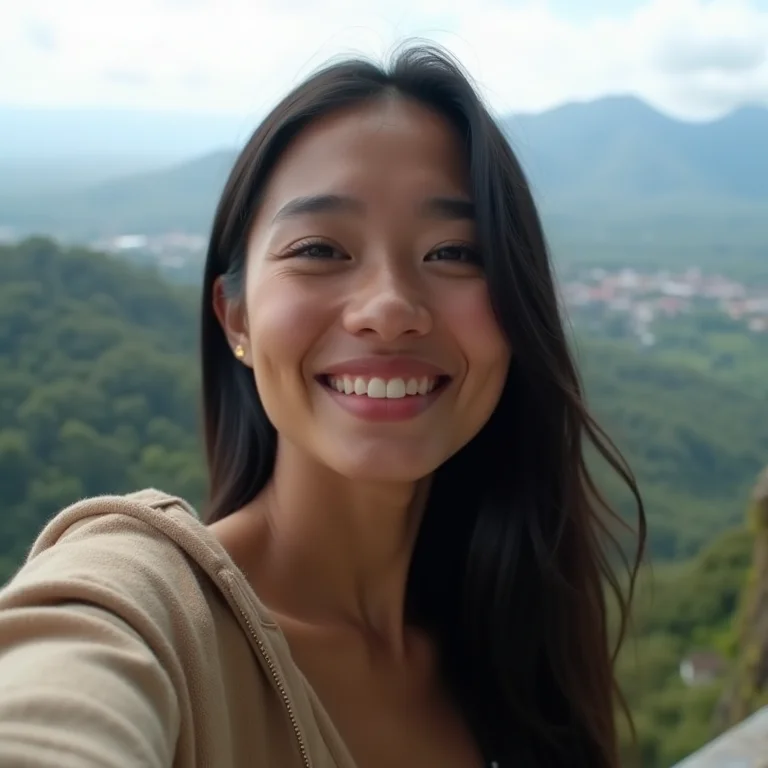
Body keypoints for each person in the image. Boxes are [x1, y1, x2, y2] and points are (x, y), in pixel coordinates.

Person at [0, 44, 645, 767]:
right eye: (320, 249)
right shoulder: (148, 609)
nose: (391, 308)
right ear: (235, 318)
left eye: (455, 253)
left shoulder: (516, 650)